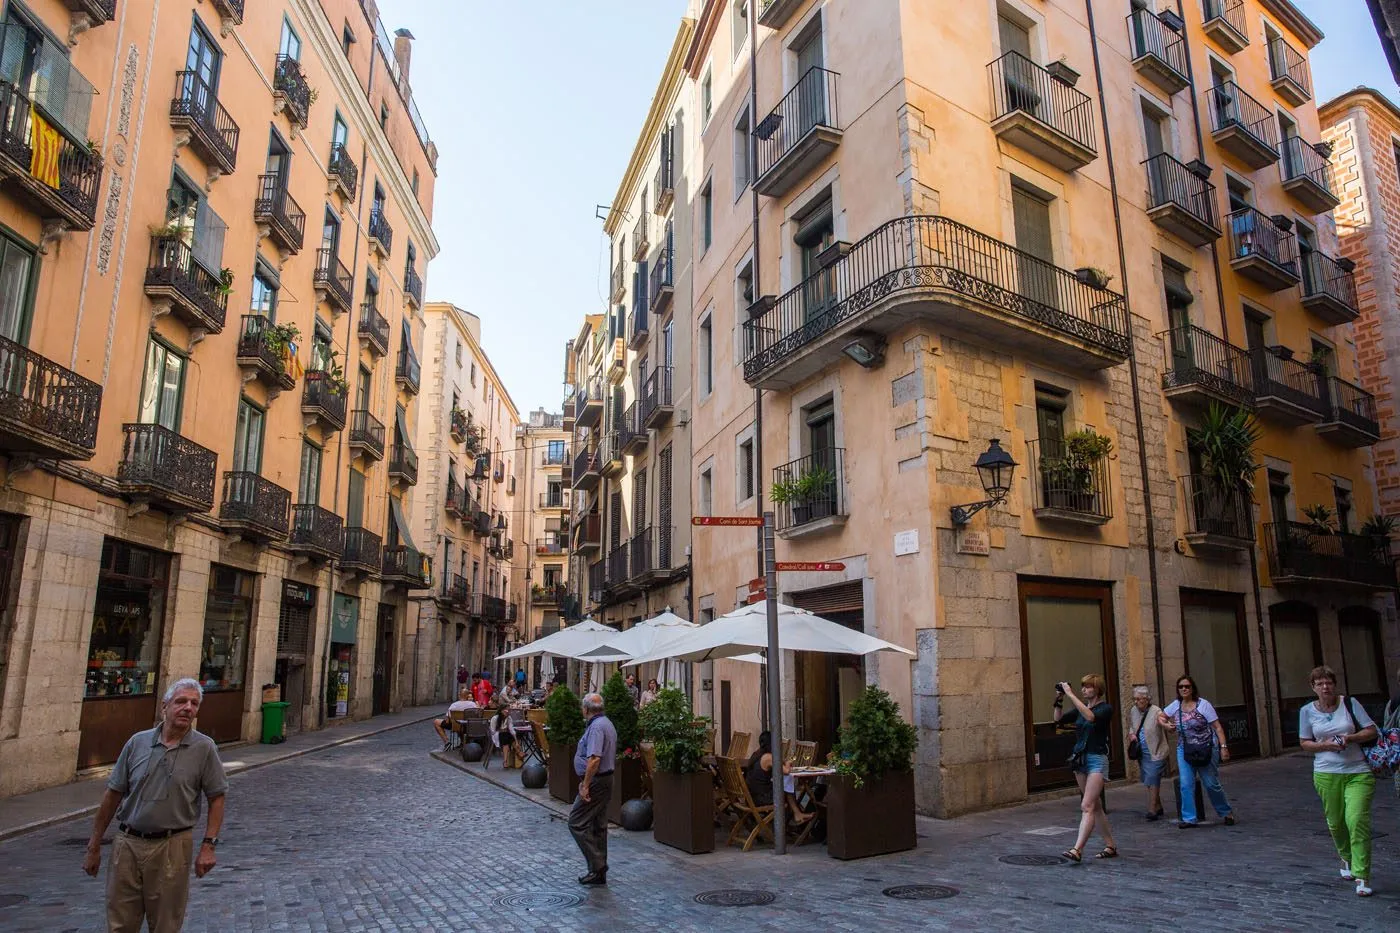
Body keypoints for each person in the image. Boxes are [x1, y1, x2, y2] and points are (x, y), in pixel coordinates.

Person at [83, 678, 228, 933]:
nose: (188, 708)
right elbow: (113, 794)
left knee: (165, 924)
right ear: (165, 706)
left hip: (172, 846)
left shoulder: (204, 748)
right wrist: (94, 845)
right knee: (120, 924)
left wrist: (209, 845)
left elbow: (217, 797)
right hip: (127, 844)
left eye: (194, 704)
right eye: (181, 701)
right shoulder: (137, 742)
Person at [1300, 665, 1378, 897]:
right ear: (1313, 687)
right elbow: (1305, 742)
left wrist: (1350, 738)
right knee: (1335, 822)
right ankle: (1346, 857)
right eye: (1320, 684)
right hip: (1326, 773)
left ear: (1335, 684)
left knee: (1356, 820)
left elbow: (1371, 730)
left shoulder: (1351, 704)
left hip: (1358, 772)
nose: (1326, 687)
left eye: (1329, 683)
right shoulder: (1306, 711)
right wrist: (1326, 745)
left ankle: (1362, 875)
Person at [1159, 674, 1236, 828]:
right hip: (1185, 749)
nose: (1184, 689)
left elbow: (1217, 727)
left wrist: (1223, 747)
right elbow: (1160, 716)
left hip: (1206, 747)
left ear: (1192, 688)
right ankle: (1189, 818)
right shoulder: (1176, 705)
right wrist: (1166, 725)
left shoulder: (1203, 705)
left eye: (1187, 686)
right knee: (1186, 783)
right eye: (1181, 687)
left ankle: (1226, 811)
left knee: (1210, 783)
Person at [1054, 675, 1117, 862]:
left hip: (1097, 759)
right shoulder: (1079, 709)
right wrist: (1059, 699)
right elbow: (1058, 719)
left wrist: (1071, 694)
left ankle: (1077, 849)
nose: (1084, 690)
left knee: (1087, 805)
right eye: (1083, 687)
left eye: (1088, 687)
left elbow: (1090, 718)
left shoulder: (1105, 708)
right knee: (1095, 806)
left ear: (1097, 689)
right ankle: (1111, 845)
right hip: (1080, 760)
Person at [568, 693, 616, 885]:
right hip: (604, 779)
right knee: (598, 825)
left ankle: (598, 864)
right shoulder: (606, 723)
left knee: (576, 822)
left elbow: (594, 759)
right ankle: (598, 873)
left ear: (586, 709)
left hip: (597, 781)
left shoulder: (596, 727)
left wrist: (585, 785)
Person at [744, 731, 812, 825]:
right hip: (761, 798)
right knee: (785, 789)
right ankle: (791, 819)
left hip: (752, 796)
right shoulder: (768, 757)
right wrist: (788, 763)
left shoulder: (757, 754)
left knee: (784, 787)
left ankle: (797, 814)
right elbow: (786, 771)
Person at [1129, 685, 1170, 821]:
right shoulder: (1133, 711)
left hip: (1156, 751)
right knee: (1148, 779)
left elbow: (1162, 721)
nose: (1136, 702)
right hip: (1142, 752)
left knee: (1152, 777)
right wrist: (1132, 735)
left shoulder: (1156, 711)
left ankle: (1152, 809)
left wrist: (1167, 725)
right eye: (1134, 699)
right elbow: (1132, 726)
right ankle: (1158, 806)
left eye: (1139, 699)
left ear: (1146, 699)